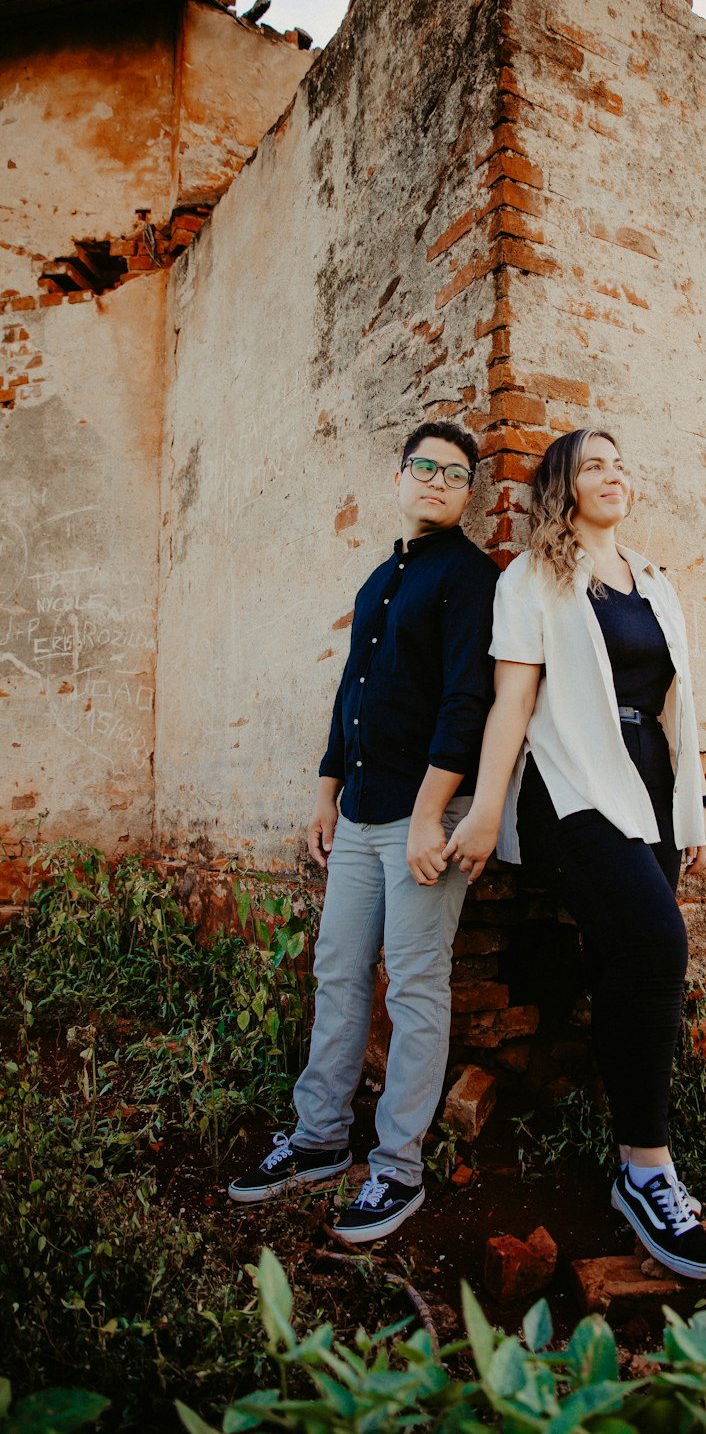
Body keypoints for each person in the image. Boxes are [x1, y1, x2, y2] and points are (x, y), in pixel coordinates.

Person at [444, 428, 706, 1280]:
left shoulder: (656, 582)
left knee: (620, 961)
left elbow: (680, 707)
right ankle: (648, 1171)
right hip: (573, 786)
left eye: (620, 462)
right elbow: (511, 706)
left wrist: (695, 803)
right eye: (593, 465)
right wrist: (485, 812)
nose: (613, 474)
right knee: (657, 943)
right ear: (563, 486)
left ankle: (626, 1150)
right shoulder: (532, 579)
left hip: (652, 786)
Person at [228, 421, 498, 1242]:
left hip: (427, 823)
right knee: (339, 970)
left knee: (415, 988)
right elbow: (353, 688)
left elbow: (466, 703)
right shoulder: (382, 577)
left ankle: (397, 1172)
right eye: (425, 466)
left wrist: (426, 816)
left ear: (467, 494)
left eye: (456, 474)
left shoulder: (469, 577)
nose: (438, 480)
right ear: (399, 476)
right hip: (358, 814)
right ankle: (316, 1142)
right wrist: (325, 792)